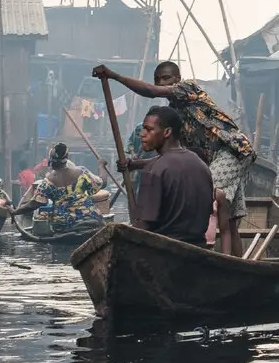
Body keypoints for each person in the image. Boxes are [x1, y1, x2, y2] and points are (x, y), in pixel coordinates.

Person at [94, 60, 254, 255]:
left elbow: (152, 91)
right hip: (220, 157)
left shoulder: (188, 88)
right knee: (230, 220)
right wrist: (135, 164)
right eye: (158, 79)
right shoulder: (176, 116)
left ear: (177, 78)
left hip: (232, 149)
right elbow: (177, 159)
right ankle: (239, 265)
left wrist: (114, 76)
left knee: (207, 196)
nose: (162, 83)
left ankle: (214, 260)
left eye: (166, 78)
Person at [125, 106, 214, 247]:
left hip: (165, 253)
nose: (142, 134)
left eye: (149, 129)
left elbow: (143, 226)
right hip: (198, 250)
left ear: (167, 132)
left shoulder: (154, 169)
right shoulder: (201, 165)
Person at [20, 143, 105, 235]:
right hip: (91, 217)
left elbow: (34, 204)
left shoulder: (47, 182)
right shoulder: (82, 172)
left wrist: (15, 212)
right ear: (67, 157)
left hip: (63, 224)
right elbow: (102, 183)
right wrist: (101, 166)